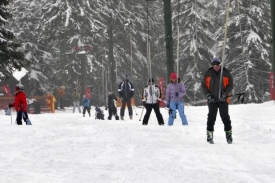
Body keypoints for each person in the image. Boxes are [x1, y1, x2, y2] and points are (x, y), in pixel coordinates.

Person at [201, 56, 233, 144]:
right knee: (211, 117)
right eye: (214, 65)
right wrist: (208, 95)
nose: (215, 66)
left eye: (217, 64)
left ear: (220, 64)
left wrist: (225, 93)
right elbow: (203, 85)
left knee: (225, 117)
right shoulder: (208, 73)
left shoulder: (225, 72)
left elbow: (231, 85)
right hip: (212, 99)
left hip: (223, 99)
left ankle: (229, 135)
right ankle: (209, 135)